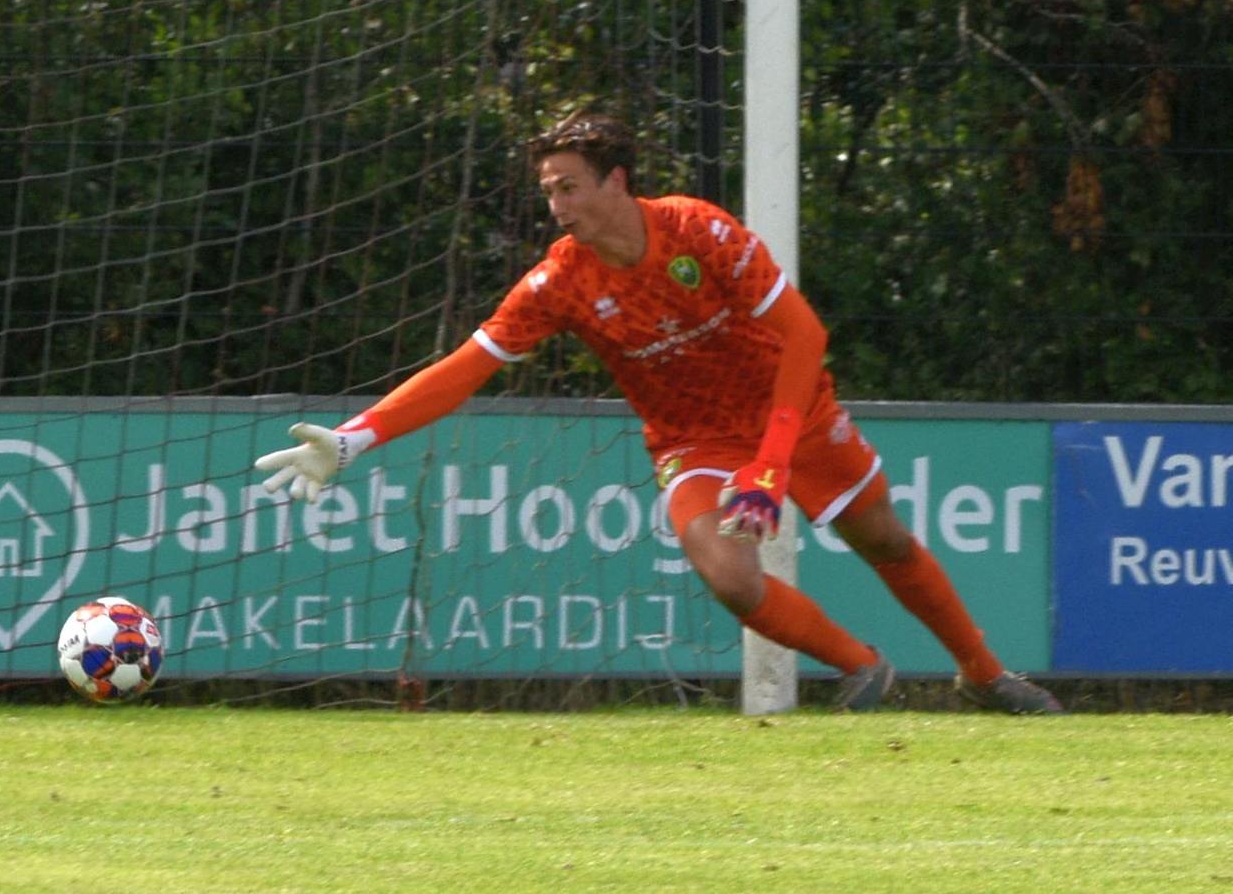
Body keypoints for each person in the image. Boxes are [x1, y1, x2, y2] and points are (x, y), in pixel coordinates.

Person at [254, 107, 1062, 714]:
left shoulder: (699, 233)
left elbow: (804, 333)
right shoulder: (560, 280)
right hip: (692, 440)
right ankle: (861, 667)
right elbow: (468, 368)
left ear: (615, 181)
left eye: (569, 186)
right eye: (548, 190)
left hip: (793, 412)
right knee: (729, 576)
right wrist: (356, 439)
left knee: (881, 536)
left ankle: (983, 675)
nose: (557, 204)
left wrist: (773, 461)